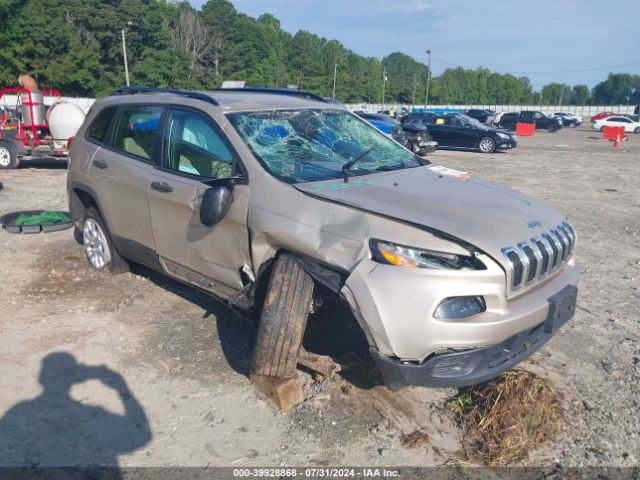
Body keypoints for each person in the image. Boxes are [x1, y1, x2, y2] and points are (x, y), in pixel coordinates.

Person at [0, 352, 151, 476]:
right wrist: (120, 385)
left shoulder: (19, 411)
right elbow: (142, 437)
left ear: (41, 378)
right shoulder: (94, 413)